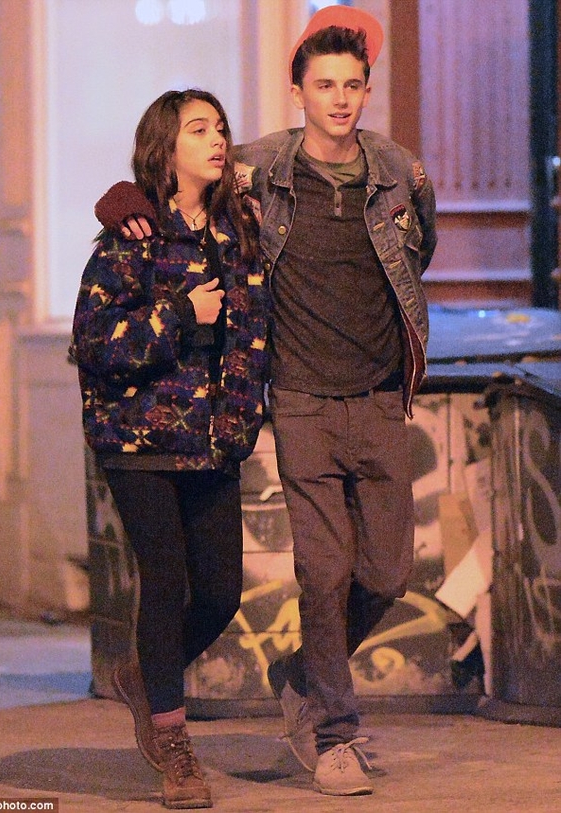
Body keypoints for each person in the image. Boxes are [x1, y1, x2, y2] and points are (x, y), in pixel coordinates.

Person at [94, 5, 437, 799]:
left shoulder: (401, 172)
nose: (340, 98)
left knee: (387, 571)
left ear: (367, 90)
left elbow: (420, 250)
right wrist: (120, 200)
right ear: (298, 92)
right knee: (324, 572)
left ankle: (305, 673)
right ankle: (333, 732)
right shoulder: (259, 168)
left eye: (352, 85)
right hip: (303, 398)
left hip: (379, 397)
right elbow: (173, 171)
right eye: (325, 85)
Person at [70, 88, 268, 810]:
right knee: (166, 581)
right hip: (140, 438)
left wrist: (245, 418)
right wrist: (180, 312)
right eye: (197, 129)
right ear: (166, 146)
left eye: (220, 128)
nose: (216, 139)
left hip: (215, 440)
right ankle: (174, 742)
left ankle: (145, 678)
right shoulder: (131, 238)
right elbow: (94, 344)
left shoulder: (241, 230)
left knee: (219, 593)